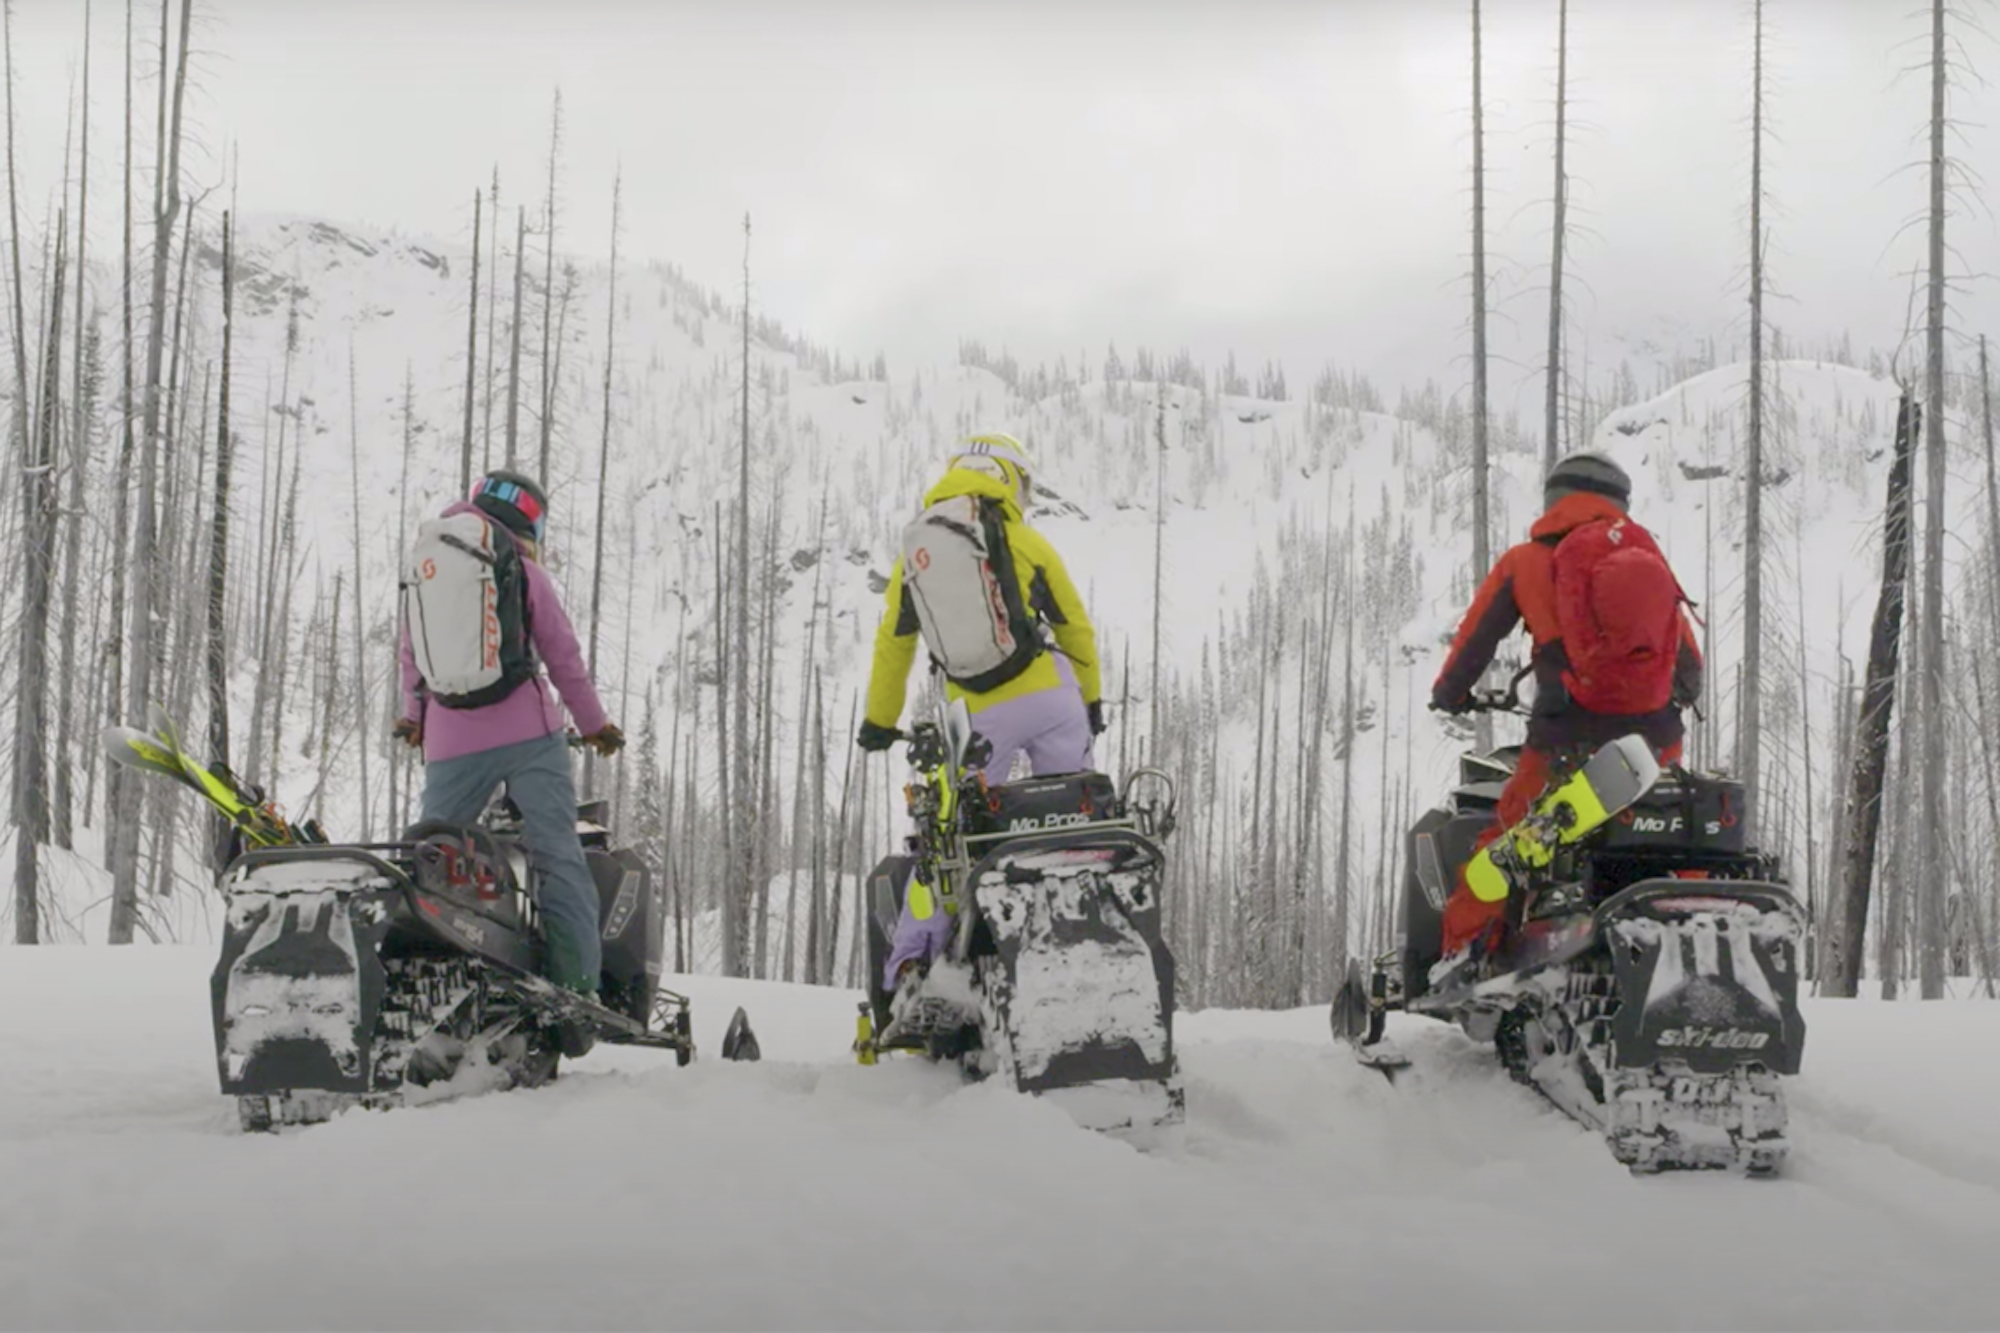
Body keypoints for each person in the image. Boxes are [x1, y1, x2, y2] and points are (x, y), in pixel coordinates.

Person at [1429, 450, 1702, 983]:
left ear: (1553, 500)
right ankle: (1691, 922)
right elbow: (1690, 669)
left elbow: (1474, 643)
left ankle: (1462, 958)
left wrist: (1450, 693)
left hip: (1564, 744)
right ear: (1620, 502)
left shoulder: (1527, 561)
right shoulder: (1649, 562)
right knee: (1663, 833)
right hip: (1654, 747)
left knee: (1505, 848)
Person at [858, 433, 1103, 990]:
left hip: (973, 722)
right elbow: (1075, 629)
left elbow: (893, 645)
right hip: (1053, 701)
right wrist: (1089, 703)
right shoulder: (1027, 541)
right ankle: (1082, 939)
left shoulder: (914, 554)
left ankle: (911, 969)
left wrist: (879, 720)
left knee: (949, 844)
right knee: (1075, 818)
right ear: (1013, 479)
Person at [394, 469, 625, 1018]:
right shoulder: (522, 571)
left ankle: (421, 971)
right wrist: (595, 725)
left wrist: (414, 717)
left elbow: (412, 656)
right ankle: (577, 989)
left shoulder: (428, 567)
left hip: (449, 739)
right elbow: (564, 659)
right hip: (528, 735)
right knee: (558, 856)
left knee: (431, 855)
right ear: (531, 522)